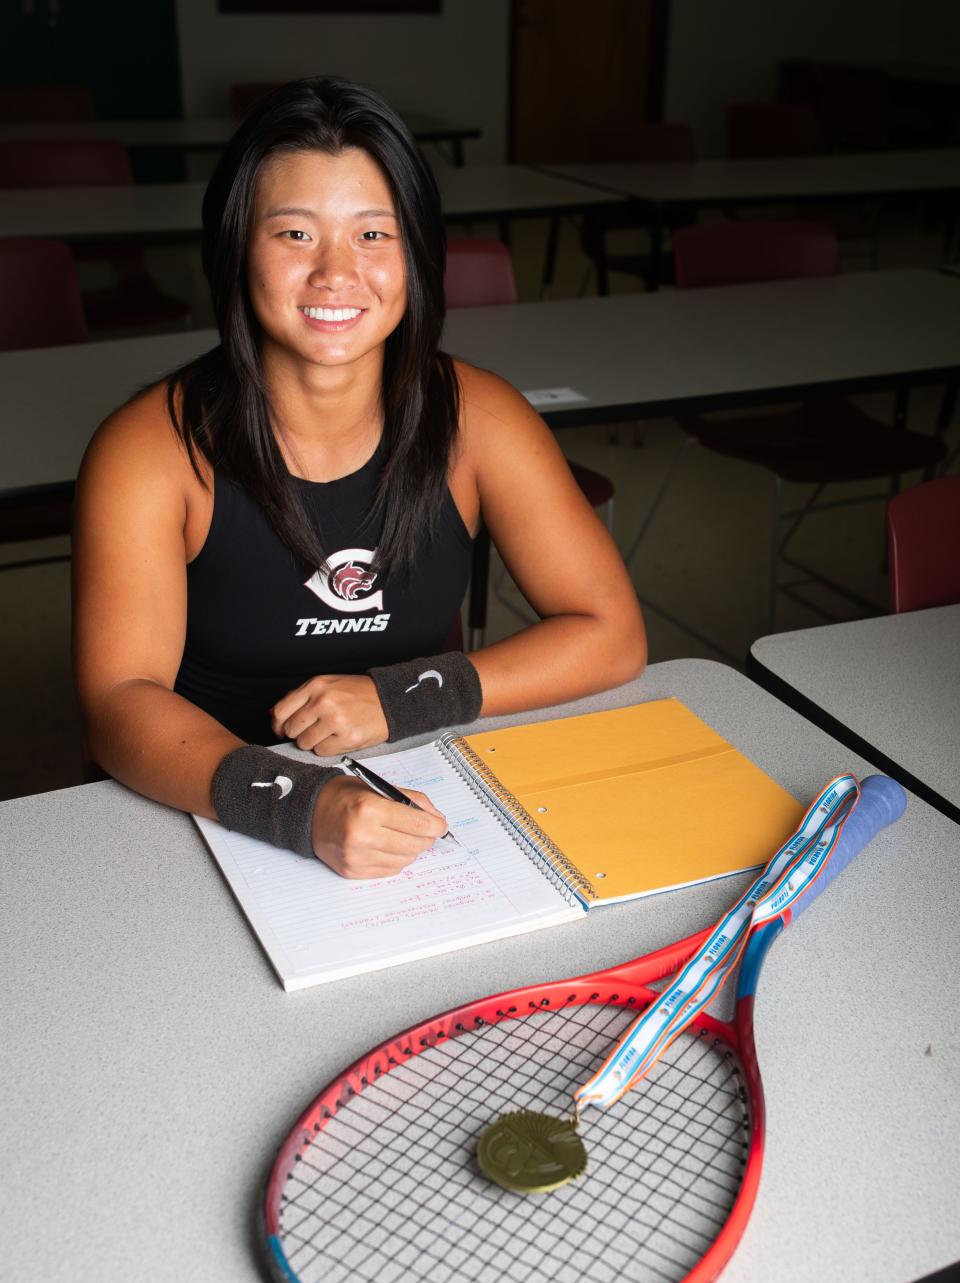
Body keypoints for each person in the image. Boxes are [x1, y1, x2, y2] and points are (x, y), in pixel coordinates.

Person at [73, 77, 646, 880]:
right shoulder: (151, 449)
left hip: (408, 792)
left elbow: (611, 634)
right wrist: (296, 803)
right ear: (236, 250)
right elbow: (119, 701)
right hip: (198, 804)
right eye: (296, 235)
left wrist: (404, 697)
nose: (338, 273)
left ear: (417, 252)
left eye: (374, 234)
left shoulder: (480, 418)